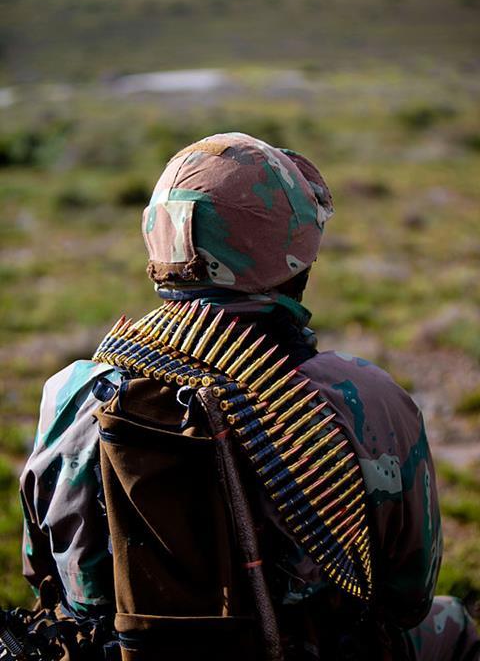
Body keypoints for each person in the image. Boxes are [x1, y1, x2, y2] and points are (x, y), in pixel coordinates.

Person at [17, 132, 479, 660]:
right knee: (454, 624)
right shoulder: (363, 399)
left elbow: (44, 579)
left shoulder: (68, 394)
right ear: (296, 256)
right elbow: (408, 598)